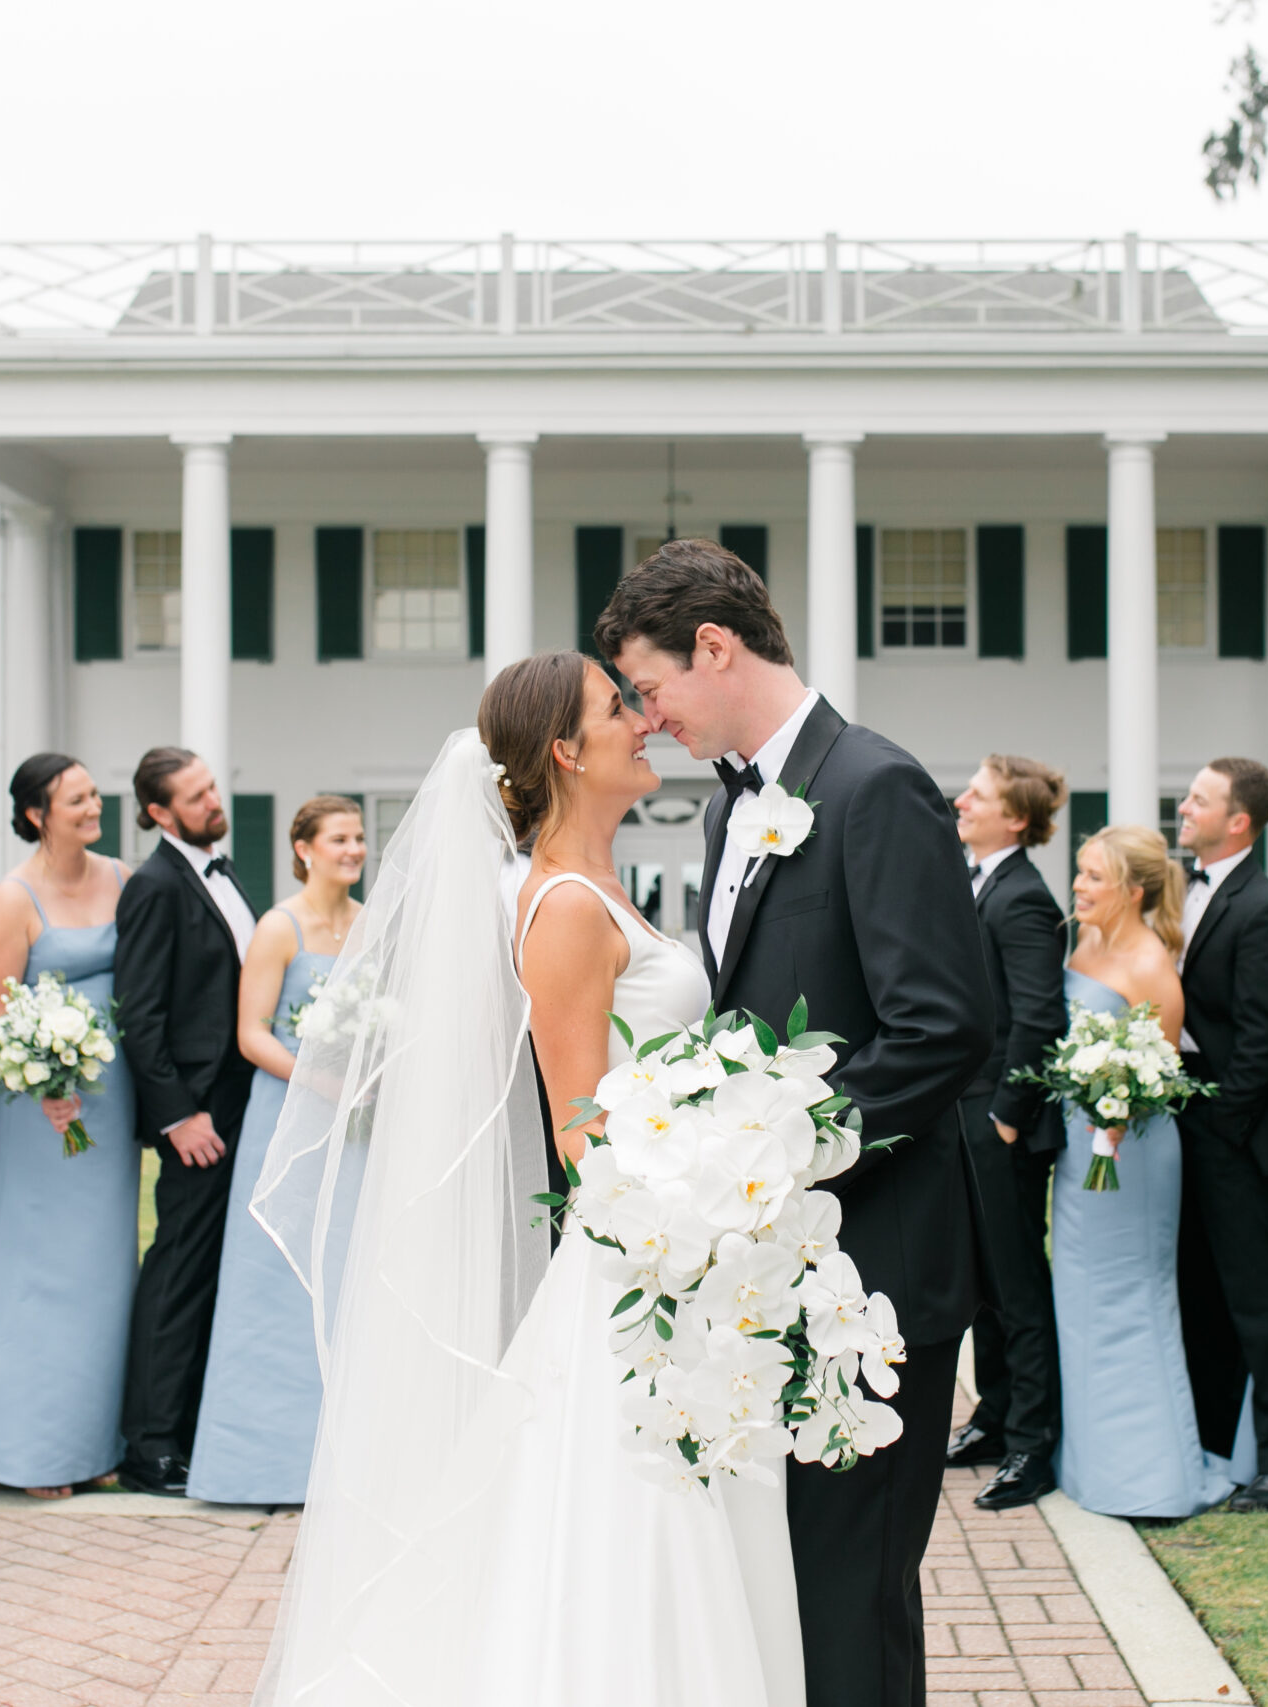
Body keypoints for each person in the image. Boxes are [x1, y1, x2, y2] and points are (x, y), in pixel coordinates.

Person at [252, 659, 799, 1704]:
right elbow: (581, 1129)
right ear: (563, 751)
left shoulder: (598, 893)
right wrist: (705, 1207)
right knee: (637, 1526)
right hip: (641, 1265)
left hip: (673, 1257)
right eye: (615, 710)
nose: (640, 724)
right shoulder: (562, 911)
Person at [608, 542, 990, 1707]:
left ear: (714, 648)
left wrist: (768, 1154)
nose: (648, 716)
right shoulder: (736, 816)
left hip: (877, 1263)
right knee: (788, 1582)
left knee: (853, 1588)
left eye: (650, 686)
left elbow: (942, 1027)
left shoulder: (875, 786)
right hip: (782, 1268)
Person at [0, 755, 137, 1499]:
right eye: (77, 798)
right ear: (37, 812)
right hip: (40, 1111)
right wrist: (44, 1087)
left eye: (94, 794)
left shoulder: (123, 877)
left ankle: (89, 1442)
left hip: (112, 1101)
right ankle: (24, 1449)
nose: (93, 806)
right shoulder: (12, 897)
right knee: (36, 1271)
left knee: (99, 1269)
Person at [1048, 826, 1237, 1520]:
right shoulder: (1085, 942)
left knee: (1132, 1297)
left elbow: (1159, 1073)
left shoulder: (1154, 964)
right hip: (1080, 1149)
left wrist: (1113, 1112)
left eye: (1094, 877)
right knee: (1082, 1292)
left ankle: (1152, 1472)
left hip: (1130, 1153)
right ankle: (1095, 1461)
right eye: (1080, 873)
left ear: (1133, 890)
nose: (1079, 886)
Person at [190, 794, 366, 1504]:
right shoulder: (278, 926)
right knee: (274, 1280)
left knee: (344, 1270)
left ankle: (342, 1461)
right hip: (287, 1114)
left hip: (354, 1124)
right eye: (339, 839)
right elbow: (252, 1032)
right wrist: (315, 1076)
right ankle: (259, 1463)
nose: (353, 849)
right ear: (304, 848)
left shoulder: (370, 925)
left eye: (358, 838)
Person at [1171, 758, 1268, 1513]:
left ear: (1240, 820)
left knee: (1264, 1298)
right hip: (1183, 1120)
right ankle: (1217, 1439)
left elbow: (1265, 1040)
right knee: (1199, 1289)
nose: (1184, 806)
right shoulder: (1184, 891)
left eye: (1200, 799)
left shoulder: (1265, 909)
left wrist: (1222, 1125)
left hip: (1236, 1128)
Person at [115, 745, 258, 1495]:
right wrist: (179, 1117)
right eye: (196, 795)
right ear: (160, 813)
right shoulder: (153, 886)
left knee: (214, 1268)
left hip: (243, 1107)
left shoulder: (222, 870)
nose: (212, 799)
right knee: (178, 1270)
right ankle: (151, 1443)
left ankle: (198, 1424)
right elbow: (140, 1016)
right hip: (199, 1119)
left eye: (211, 784)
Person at [945, 755, 1070, 1512]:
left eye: (980, 794)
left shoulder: (1023, 897)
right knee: (985, 1282)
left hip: (1001, 1121)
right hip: (965, 1115)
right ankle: (993, 1416)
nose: (963, 799)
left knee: (1018, 1285)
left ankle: (1032, 1442)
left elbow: (1039, 1015)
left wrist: (1006, 1116)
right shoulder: (981, 880)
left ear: (1015, 818)